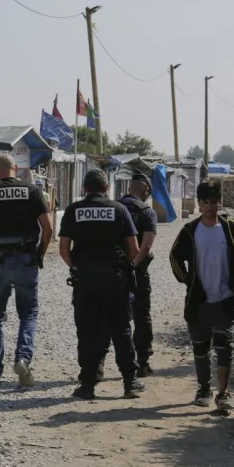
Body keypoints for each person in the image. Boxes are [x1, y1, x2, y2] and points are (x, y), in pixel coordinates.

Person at [59, 169, 146, 400]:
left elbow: (64, 249)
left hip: (85, 281)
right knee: (121, 330)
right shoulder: (119, 209)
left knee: (87, 331)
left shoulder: (73, 210)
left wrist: (76, 267)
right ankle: (129, 383)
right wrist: (123, 268)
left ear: (84, 188)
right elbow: (134, 249)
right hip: (115, 280)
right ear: (106, 188)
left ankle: (87, 385)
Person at [0, 153, 53, 388]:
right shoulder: (33, 191)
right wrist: (40, 253)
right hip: (26, 258)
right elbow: (48, 227)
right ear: (16, 168)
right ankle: (23, 359)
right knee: (28, 314)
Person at [168, 180, 234, 415]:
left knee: (225, 345)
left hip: (226, 298)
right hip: (199, 300)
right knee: (201, 347)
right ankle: (204, 389)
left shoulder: (230, 228)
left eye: (214, 201)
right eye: (206, 202)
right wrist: (188, 280)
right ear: (199, 203)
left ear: (219, 202)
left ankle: (223, 394)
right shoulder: (190, 230)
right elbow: (174, 257)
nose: (211, 206)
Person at [118, 173, 159, 377]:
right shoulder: (147, 212)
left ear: (129, 188)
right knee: (142, 316)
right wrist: (133, 265)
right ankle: (142, 362)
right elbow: (146, 246)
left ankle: (113, 363)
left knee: (116, 317)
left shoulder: (115, 207)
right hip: (138, 272)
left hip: (115, 272)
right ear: (146, 191)